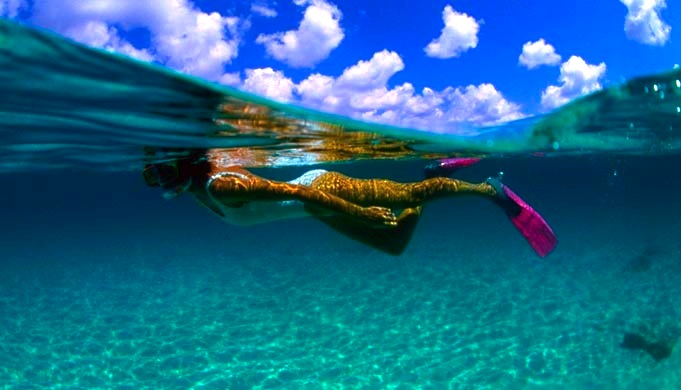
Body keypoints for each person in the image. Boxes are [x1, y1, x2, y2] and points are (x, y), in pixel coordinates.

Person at [143, 154, 557, 257]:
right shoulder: (196, 191)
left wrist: (357, 211)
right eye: (152, 175)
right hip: (317, 208)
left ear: (183, 164)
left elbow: (300, 193)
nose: (156, 180)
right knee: (395, 244)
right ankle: (435, 173)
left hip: (320, 189)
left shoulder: (223, 186)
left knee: (408, 198)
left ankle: (490, 190)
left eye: (160, 171)